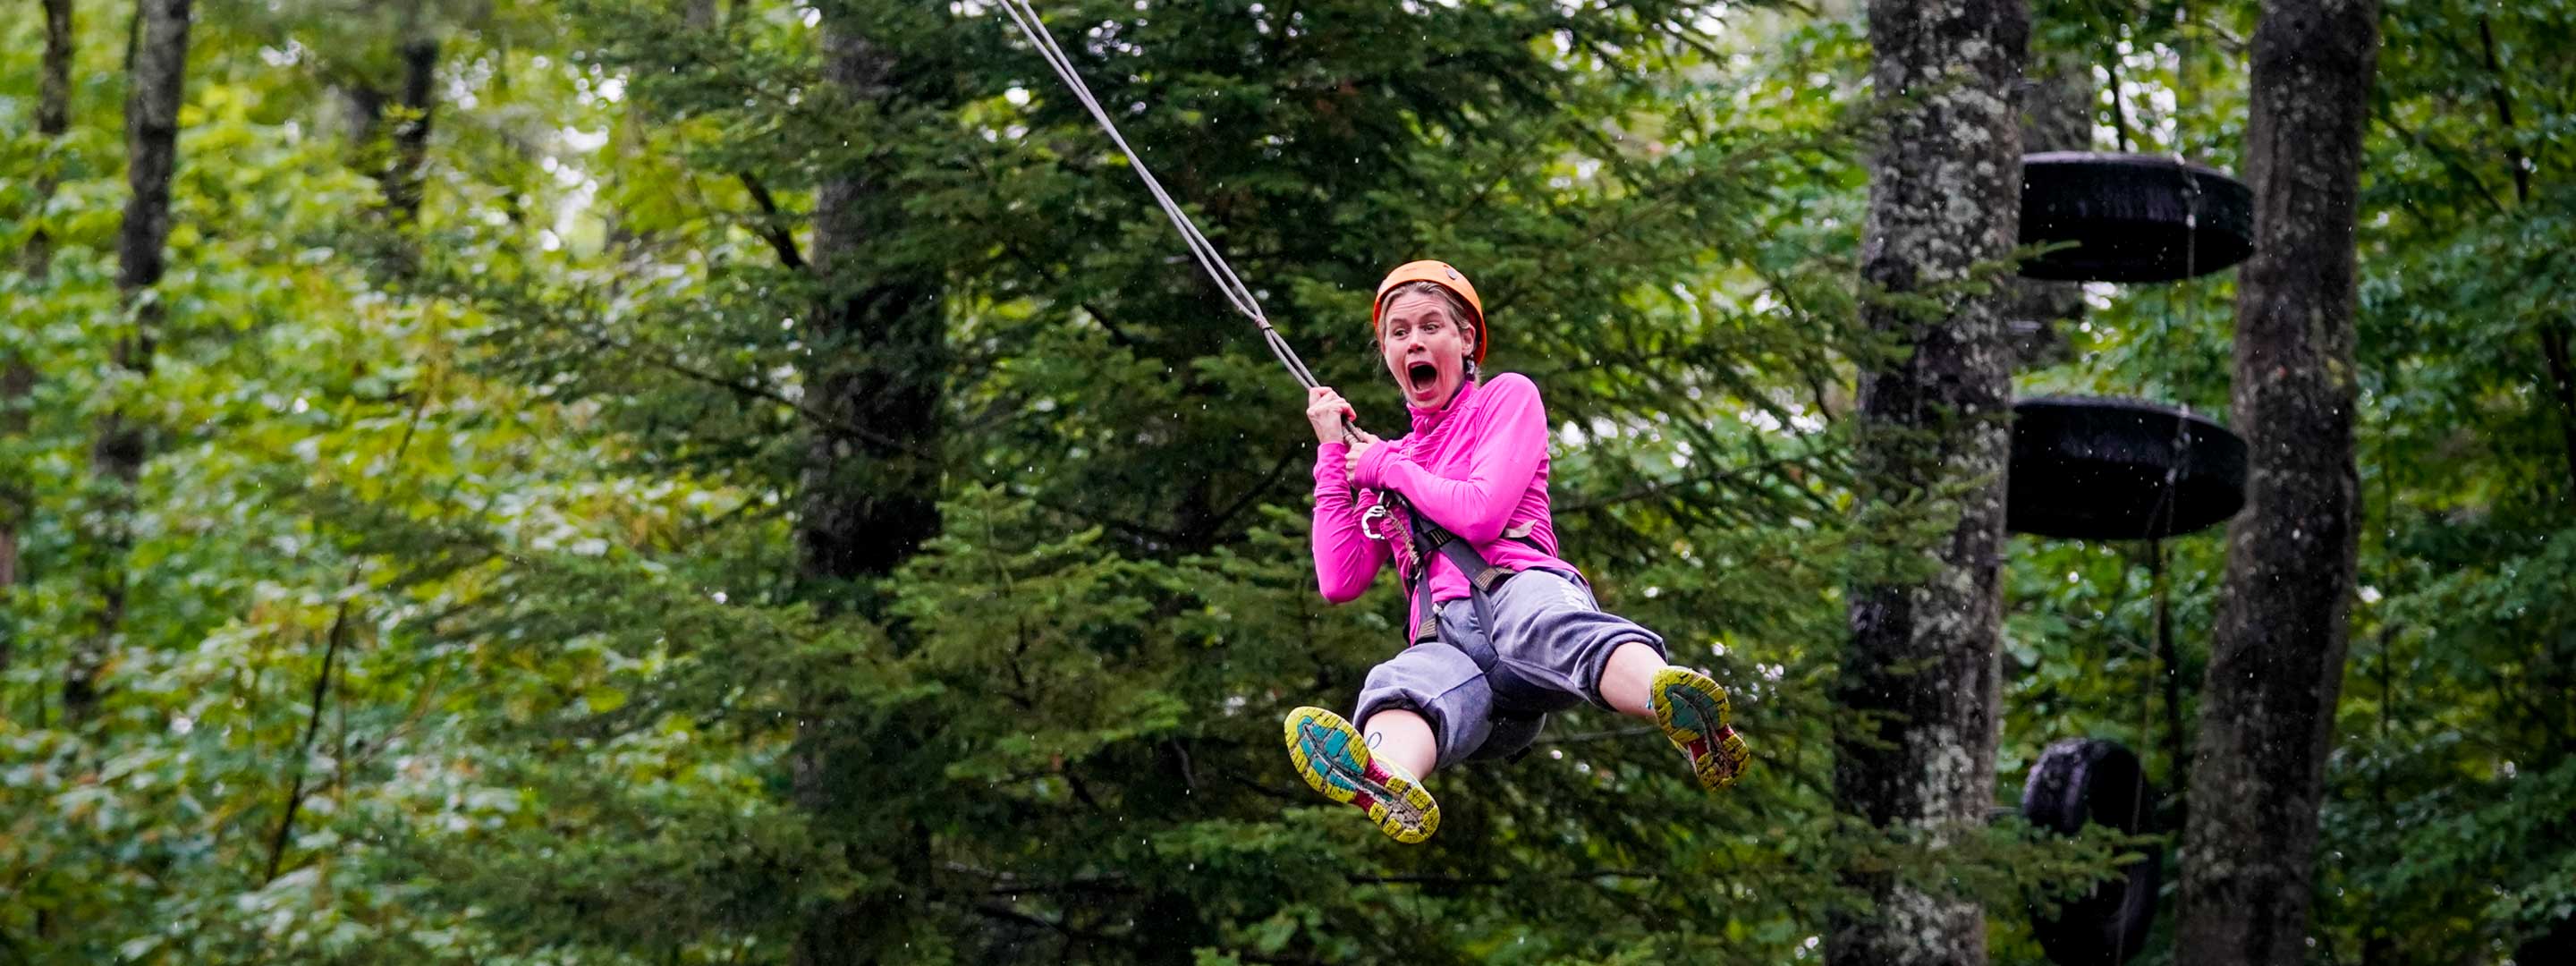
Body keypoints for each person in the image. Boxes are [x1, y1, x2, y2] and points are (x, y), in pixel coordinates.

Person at [1282, 260, 1751, 844]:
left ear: (1467, 340)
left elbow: (1481, 512)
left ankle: (1674, 702)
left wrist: (1389, 467)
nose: (1415, 341)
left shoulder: (1504, 401)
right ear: (1388, 356)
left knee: (1549, 625)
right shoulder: (1390, 465)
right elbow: (1340, 579)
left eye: (1431, 326)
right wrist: (1334, 459)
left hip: (1515, 586)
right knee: (1404, 685)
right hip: (1452, 650)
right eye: (1398, 334)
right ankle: (1391, 774)